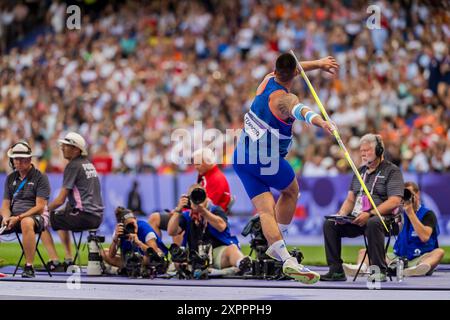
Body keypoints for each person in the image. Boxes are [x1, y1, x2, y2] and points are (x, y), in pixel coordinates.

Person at [232, 52, 338, 284]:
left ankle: (282, 255)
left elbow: (296, 67)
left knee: (265, 211)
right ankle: (281, 245)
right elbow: (302, 111)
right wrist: (323, 123)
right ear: (294, 76)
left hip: (241, 156)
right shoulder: (285, 100)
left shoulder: (267, 79)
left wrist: (319, 64)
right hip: (265, 160)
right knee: (291, 191)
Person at [321, 134, 404, 282]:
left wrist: (370, 213)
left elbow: (394, 201)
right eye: (362, 150)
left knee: (373, 222)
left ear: (379, 151)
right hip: (359, 218)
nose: (363, 153)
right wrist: (341, 215)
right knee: (330, 224)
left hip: (385, 220)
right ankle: (336, 271)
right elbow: (350, 199)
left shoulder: (392, 171)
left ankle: (378, 270)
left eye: (368, 150)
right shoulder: (359, 172)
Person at [343, 182, 445, 277]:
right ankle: (361, 268)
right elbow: (384, 230)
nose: (406, 197)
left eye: (409, 194)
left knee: (439, 252)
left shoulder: (428, 214)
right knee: (364, 252)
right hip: (398, 258)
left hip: (420, 257)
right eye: (403, 195)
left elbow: (425, 237)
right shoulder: (397, 212)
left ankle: (416, 269)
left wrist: (410, 213)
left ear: (417, 194)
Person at [41, 132, 104, 271]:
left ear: (76, 149)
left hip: (84, 216)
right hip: (97, 217)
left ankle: (54, 260)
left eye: (67, 145)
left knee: (41, 220)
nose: (62, 148)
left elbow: (60, 200)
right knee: (60, 215)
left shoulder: (73, 166)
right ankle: (69, 259)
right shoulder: (88, 164)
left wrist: (42, 209)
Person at [148, 147, 231, 245]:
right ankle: (161, 253)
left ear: (208, 162)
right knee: (157, 218)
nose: (195, 167)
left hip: (204, 219)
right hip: (198, 215)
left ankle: (175, 256)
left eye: (198, 164)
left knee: (168, 220)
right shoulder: (206, 176)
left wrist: (180, 211)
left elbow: (204, 206)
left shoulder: (216, 179)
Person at [167, 184, 251, 274]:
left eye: (200, 196)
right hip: (194, 254)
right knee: (178, 260)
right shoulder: (186, 215)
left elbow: (221, 226)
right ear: (188, 199)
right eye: (194, 196)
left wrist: (203, 211)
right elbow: (171, 231)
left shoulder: (215, 210)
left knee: (232, 249)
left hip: (216, 252)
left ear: (206, 197)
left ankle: (242, 264)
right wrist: (178, 210)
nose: (197, 199)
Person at [0, 141, 51, 278]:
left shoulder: (41, 177)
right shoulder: (10, 178)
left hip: (37, 217)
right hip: (13, 216)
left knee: (26, 222)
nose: (18, 162)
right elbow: (5, 205)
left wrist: (18, 217)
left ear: (29, 159)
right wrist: (6, 217)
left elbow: (40, 207)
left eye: (22, 158)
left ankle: (29, 266)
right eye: (16, 158)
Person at [101, 207, 168, 271]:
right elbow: (111, 255)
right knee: (104, 253)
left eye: (133, 223)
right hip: (131, 258)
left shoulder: (144, 228)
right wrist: (115, 239)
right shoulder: (120, 231)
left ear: (136, 219)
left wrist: (138, 242)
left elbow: (155, 253)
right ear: (122, 225)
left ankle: (130, 267)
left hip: (152, 258)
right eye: (128, 225)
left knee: (149, 257)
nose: (132, 227)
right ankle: (131, 267)